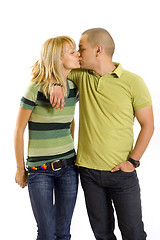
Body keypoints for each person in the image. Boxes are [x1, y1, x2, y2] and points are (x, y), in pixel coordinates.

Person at [50, 28, 154, 240]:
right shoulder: (81, 76)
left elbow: (148, 125)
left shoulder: (133, 82)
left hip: (122, 174)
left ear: (98, 50)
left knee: (134, 234)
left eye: (82, 48)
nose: (78, 53)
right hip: (88, 173)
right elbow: (50, 66)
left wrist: (133, 161)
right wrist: (56, 82)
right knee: (102, 235)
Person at [14, 36, 80, 240]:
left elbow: (70, 121)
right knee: (46, 234)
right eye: (71, 52)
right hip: (39, 171)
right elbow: (18, 130)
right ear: (56, 58)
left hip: (69, 168)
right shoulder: (34, 89)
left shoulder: (73, 89)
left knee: (64, 233)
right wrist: (19, 168)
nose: (77, 54)